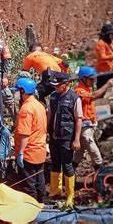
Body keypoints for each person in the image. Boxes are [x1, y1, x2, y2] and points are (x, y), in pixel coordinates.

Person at [47, 72, 83, 208]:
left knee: (67, 165)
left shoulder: (74, 98)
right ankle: (55, 192)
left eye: (58, 85)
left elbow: (79, 119)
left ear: (65, 84)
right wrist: (46, 131)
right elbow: (49, 114)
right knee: (55, 163)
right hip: (54, 137)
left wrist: (77, 139)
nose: (55, 88)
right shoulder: (53, 97)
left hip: (67, 138)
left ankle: (70, 195)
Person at [73, 66, 113, 171]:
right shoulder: (79, 91)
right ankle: (101, 174)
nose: (93, 81)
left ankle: (68, 174)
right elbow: (93, 96)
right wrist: (107, 85)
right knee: (94, 152)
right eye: (91, 79)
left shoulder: (86, 89)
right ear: (83, 79)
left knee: (78, 155)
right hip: (84, 128)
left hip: (88, 126)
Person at [12, 78, 47, 203]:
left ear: (22, 91)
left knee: (29, 186)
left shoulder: (26, 109)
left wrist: (20, 152)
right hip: (40, 150)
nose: (16, 93)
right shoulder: (39, 105)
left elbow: (24, 133)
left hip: (29, 152)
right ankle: (42, 206)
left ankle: (30, 213)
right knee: (40, 181)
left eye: (17, 90)